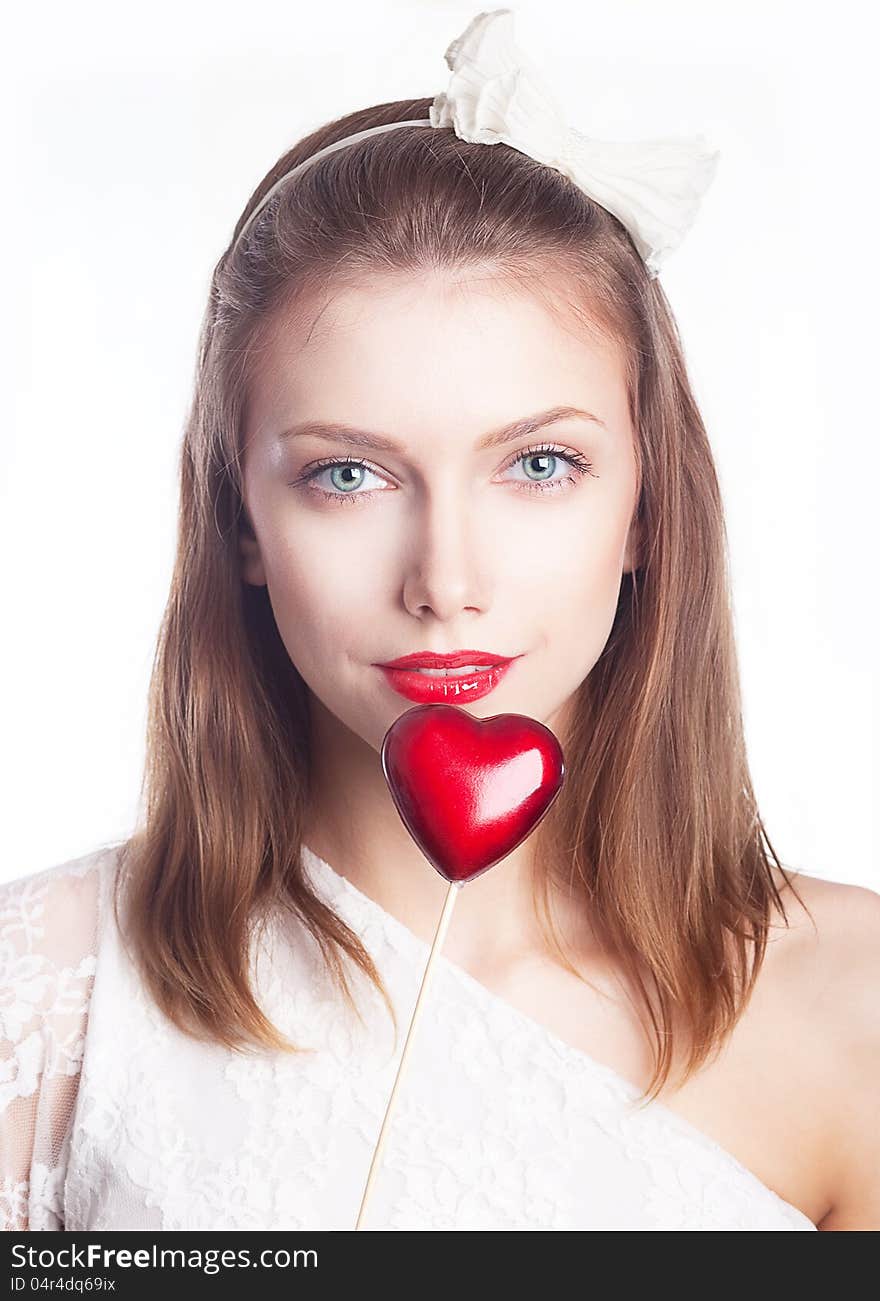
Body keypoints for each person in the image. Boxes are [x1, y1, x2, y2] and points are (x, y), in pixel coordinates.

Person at [2, 9, 878, 1234]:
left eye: (538, 465)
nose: (446, 581)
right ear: (240, 522)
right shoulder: (46, 997)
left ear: (645, 506)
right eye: (347, 475)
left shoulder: (857, 1009)